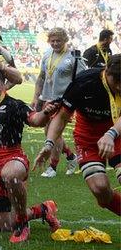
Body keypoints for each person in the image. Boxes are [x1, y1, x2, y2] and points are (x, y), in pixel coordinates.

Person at [0, 68, 61, 243]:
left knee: (10, 175)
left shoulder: (14, 104)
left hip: (12, 158)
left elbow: (35, 121)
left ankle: (22, 223)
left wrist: (45, 112)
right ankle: (42, 209)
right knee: (0, 225)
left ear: (3, 84)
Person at [34, 54, 121, 217]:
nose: (120, 87)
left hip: (118, 131)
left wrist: (111, 134)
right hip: (88, 135)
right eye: (116, 81)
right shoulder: (84, 82)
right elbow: (62, 116)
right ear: (106, 71)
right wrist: (49, 144)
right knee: (100, 189)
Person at [32, 28, 83, 177]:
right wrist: (36, 97)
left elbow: (81, 80)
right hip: (48, 98)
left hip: (64, 100)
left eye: (58, 40)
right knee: (49, 133)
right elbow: (41, 77)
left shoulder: (73, 57)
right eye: (52, 41)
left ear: (65, 40)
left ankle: (52, 167)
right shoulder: (47, 54)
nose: (55, 43)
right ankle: (70, 156)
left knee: (54, 133)